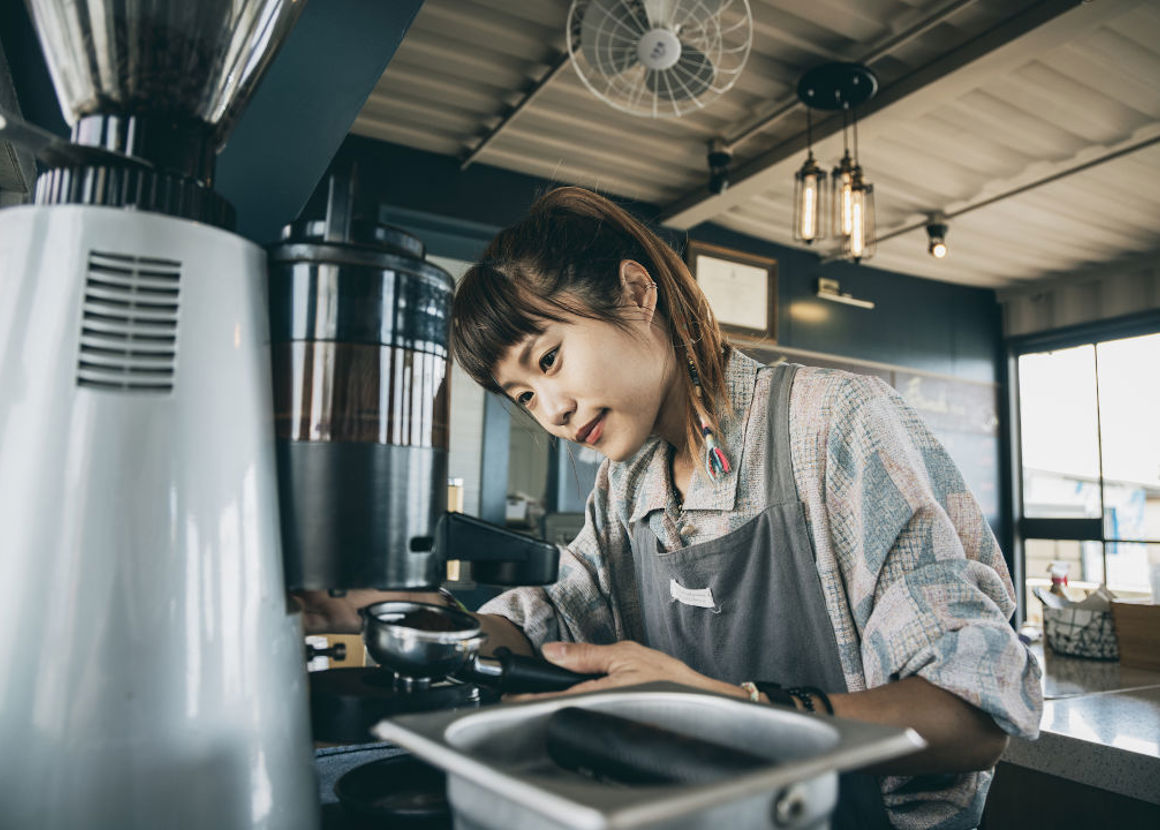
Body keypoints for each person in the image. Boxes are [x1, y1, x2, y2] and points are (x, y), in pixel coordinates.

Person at [304, 186, 1042, 828]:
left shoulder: (833, 422)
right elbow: (550, 625)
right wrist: (409, 614)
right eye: (524, 396)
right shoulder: (628, 486)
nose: (552, 412)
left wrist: (728, 706)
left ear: (636, 291)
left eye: (550, 359)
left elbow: (970, 714)